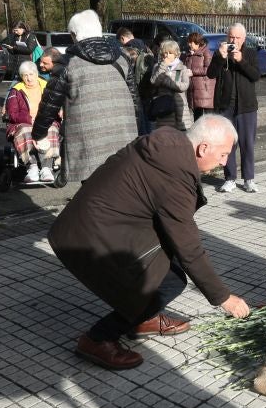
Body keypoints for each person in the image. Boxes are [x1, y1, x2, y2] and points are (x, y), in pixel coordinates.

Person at [48, 114, 251, 370]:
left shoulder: (170, 143)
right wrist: (224, 298)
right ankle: (98, 338)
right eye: (223, 155)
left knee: (168, 259)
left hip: (93, 225)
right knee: (171, 282)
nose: (224, 163)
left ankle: (143, 317)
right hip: (90, 237)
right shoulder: (175, 176)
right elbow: (190, 248)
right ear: (203, 148)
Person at [32, 10, 138, 183]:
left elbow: (49, 106)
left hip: (88, 142)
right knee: (120, 191)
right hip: (124, 139)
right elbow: (134, 102)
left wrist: (38, 134)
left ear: (73, 35)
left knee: (94, 193)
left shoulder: (68, 65)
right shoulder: (122, 60)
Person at [208, 22, 260, 193]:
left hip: (246, 106)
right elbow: (211, 74)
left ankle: (249, 179)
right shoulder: (220, 54)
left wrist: (241, 61)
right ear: (226, 37)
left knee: (247, 143)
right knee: (227, 144)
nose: (234, 40)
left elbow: (255, 76)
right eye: (231, 37)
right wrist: (220, 57)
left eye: (237, 37)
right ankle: (229, 178)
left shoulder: (250, 54)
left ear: (244, 39)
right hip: (226, 106)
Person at [6, 60, 59, 183]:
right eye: (25, 75)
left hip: (44, 121)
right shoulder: (16, 90)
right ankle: (32, 167)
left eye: (31, 74)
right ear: (22, 77)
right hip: (24, 122)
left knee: (50, 129)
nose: (29, 78)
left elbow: (55, 106)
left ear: (36, 74)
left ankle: (46, 168)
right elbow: (12, 114)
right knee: (26, 130)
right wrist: (30, 119)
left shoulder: (47, 86)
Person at [147, 39, 193, 130]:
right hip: (164, 107)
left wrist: (166, 81)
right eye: (165, 52)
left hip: (179, 108)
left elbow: (183, 86)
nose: (166, 55)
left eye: (170, 53)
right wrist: (163, 66)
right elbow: (154, 81)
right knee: (165, 134)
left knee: (181, 136)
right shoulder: (158, 66)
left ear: (176, 54)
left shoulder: (182, 67)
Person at [183, 30, 215, 118]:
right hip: (194, 90)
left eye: (191, 42)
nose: (189, 44)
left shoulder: (206, 53)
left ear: (197, 42)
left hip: (205, 91)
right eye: (188, 42)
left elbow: (208, 69)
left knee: (208, 118)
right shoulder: (189, 54)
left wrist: (192, 72)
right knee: (197, 118)